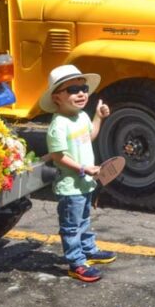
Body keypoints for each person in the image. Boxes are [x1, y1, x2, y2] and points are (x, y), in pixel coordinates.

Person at [43, 64, 116, 283]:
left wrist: (98, 117)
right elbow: (57, 156)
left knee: (84, 219)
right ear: (57, 98)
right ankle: (76, 263)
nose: (82, 93)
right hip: (70, 186)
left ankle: (88, 250)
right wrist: (82, 168)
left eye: (83, 88)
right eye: (73, 90)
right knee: (71, 225)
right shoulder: (58, 125)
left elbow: (89, 136)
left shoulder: (81, 116)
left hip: (85, 183)